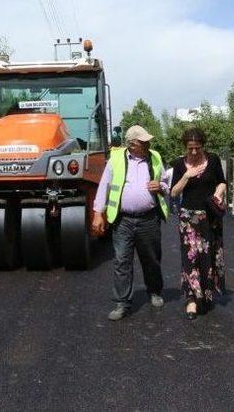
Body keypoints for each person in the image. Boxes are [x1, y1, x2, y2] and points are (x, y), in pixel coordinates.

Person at [92, 125, 169, 321]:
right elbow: (104, 187)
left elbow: (167, 184)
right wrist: (97, 213)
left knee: (151, 258)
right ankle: (122, 303)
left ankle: (154, 291)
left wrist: (160, 186)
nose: (148, 144)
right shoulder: (116, 159)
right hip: (123, 220)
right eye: (143, 141)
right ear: (132, 144)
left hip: (148, 219)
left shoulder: (155, 157)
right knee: (121, 261)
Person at [169, 128, 227, 320]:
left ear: (203, 145)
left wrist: (219, 192)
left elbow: (222, 182)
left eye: (197, 148)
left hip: (209, 217)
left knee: (207, 258)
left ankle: (206, 294)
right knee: (189, 258)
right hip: (188, 219)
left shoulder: (214, 160)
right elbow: (174, 193)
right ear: (185, 147)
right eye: (190, 148)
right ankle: (192, 300)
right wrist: (187, 175)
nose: (194, 152)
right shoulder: (179, 164)